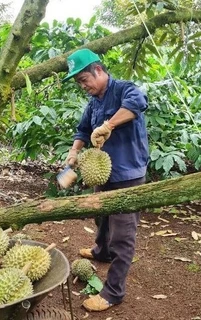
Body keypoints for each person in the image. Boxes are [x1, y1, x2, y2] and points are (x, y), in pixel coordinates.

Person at [62, 48, 149, 312]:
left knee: (123, 234)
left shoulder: (124, 89)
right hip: (104, 173)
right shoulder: (93, 103)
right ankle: (101, 251)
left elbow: (138, 103)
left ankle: (113, 292)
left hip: (128, 174)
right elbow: (83, 129)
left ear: (98, 71)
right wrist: (74, 151)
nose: (83, 86)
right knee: (101, 218)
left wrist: (109, 125)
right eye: (78, 83)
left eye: (84, 80)